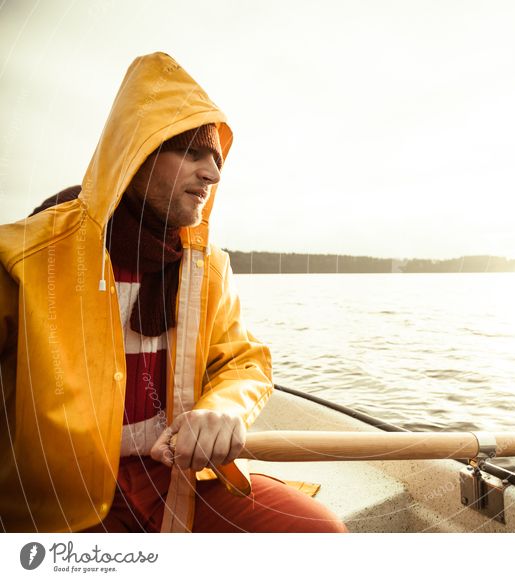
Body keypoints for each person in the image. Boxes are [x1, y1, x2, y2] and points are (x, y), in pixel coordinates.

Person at [0, 52, 346, 533]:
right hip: (62, 502)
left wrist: (220, 409)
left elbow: (244, 362)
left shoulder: (209, 266)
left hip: (182, 478)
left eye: (217, 160)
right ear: (135, 155)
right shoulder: (23, 256)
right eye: (192, 152)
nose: (213, 174)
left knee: (320, 536)